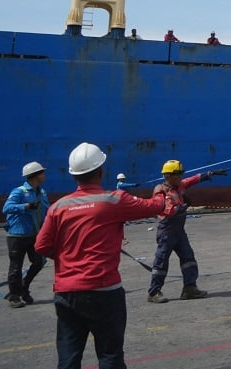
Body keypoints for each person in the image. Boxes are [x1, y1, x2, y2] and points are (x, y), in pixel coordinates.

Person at [35, 142, 169, 369]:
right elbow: (153, 207)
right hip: (104, 292)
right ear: (101, 171)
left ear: (74, 175)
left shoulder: (58, 207)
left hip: (67, 292)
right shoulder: (114, 200)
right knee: (110, 356)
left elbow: (41, 246)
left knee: (68, 358)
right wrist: (162, 193)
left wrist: (69, 258)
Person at [147, 160, 227, 303]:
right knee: (161, 262)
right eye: (178, 174)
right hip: (167, 231)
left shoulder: (180, 185)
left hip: (179, 231)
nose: (181, 177)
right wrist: (184, 206)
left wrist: (209, 174)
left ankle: (189, 288)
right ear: (168, 175)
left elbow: (193, 180)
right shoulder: (162, 191)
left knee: (188, 258)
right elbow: (168, 210)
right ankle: (154, 293)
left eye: (181, 174)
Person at [2, 161, 50, 308]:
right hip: (17, 235)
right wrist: (26, 206)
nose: (44, 175)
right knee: (16, 267)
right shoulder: (19, 192)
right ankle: (14, 297)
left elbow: (47, 211)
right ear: (35, 176)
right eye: (42, 173)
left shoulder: (41, 192)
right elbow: (6, 208)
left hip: (34, 234)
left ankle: (24, 287)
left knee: (39, 262)